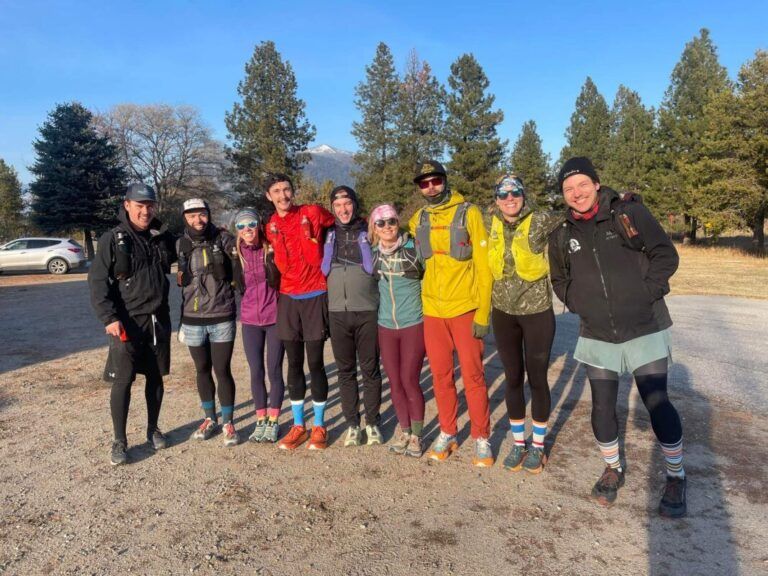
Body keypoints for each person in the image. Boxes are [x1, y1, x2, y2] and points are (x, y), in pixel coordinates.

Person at [548, 157, 686, 517]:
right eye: (568, 189)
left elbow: (665, 255)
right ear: (563, 196)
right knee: (602, 406)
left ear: (596, 184)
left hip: (644, 326)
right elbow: (559, 280)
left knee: (657, 402)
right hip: (596, 333)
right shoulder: (562, 235)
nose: (576, 193)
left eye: (581, 184)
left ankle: (676, 475)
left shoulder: (628, 214)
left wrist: (647, 293)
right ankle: (612, 468)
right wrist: (579, 303)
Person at [408, 160, 494, 467]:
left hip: (465, 308)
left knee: (473, 375)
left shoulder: (469, 213)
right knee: (441, 377)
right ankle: (448, 431)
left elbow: (484, 266)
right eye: (424, 183)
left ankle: (482, 436)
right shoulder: (418, 218)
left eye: (435, 180)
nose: (430, 187)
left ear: (445, 180)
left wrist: (484, 313)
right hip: (432, 310)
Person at [89, 183, 176, 466]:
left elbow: (188, 249)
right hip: (126, 322)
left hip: (158, 320)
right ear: (127, 205)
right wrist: (109, 317)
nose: (145, 211)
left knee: (155, 377)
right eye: (139, 205)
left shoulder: (161, 237)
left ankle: (153, 429)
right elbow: (98, 281)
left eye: (150, 205)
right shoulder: (112, 239)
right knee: (123, 381)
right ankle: (120, 440)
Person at [488, 175, 563, 474]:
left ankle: (538, 446)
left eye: (515, 192)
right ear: (496, 199)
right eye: (503, 194)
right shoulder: (487, 221)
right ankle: (519, 443)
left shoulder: (541, 219)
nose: (510, 198)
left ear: (523, 194)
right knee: (512, 377)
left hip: (537, 313)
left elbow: (575, 213)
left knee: (538, 378)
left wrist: (612, 198)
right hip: (503, 313)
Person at [264, 173, 335, 450]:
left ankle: (319, 425)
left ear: (293, 191)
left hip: (316, 294)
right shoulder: (269, 225)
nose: (283, 195)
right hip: (288, 299)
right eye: (277, 191)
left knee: (315, 362)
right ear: (269, 196)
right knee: (293, 365)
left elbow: (339, 222)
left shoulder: (312, 212)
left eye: (286, 189)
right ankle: (298, 426)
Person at [321, 186, 383, 447]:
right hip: (337, 313)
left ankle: (372, 423)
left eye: (347, 204)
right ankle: (352, 424)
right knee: (345, 372)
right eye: (338, 206)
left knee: (370, 370)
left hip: (367, 310)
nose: (343, 209)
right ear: (333, 209)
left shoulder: (369, 231)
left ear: (355, 205)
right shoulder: (327, 234)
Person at [176, 198, 240, 447]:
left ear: (209, 215)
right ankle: (209, 418)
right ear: (185, 218)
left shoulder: (223, 239)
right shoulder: (180, 243)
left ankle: (228, 421)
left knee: (222, 370)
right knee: (201, 370)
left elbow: (245, 251)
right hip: (192, 319)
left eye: (202, 214)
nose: (197, 220)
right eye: (191, 216)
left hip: (222, 315)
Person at [369, 203, 427, 457]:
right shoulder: (372, 253)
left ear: (398, 223)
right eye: (380, 223)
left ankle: (417, 436)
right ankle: (404, 431)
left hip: (413, 323)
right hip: (386, 326)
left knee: (409, 380)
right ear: (374, 227)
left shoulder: (413, 248)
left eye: (391, 221)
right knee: (394, 382)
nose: (387, 227)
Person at [232, 207, 285, 443]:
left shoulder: (270, 248)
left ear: (259, 225)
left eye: (251, 224)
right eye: (241, 226)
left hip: (274, 318)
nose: (247, 230)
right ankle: (260, 419)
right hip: (250, 320)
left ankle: (274, 421)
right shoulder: (237, 254)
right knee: (256, 371)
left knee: (274, 370)